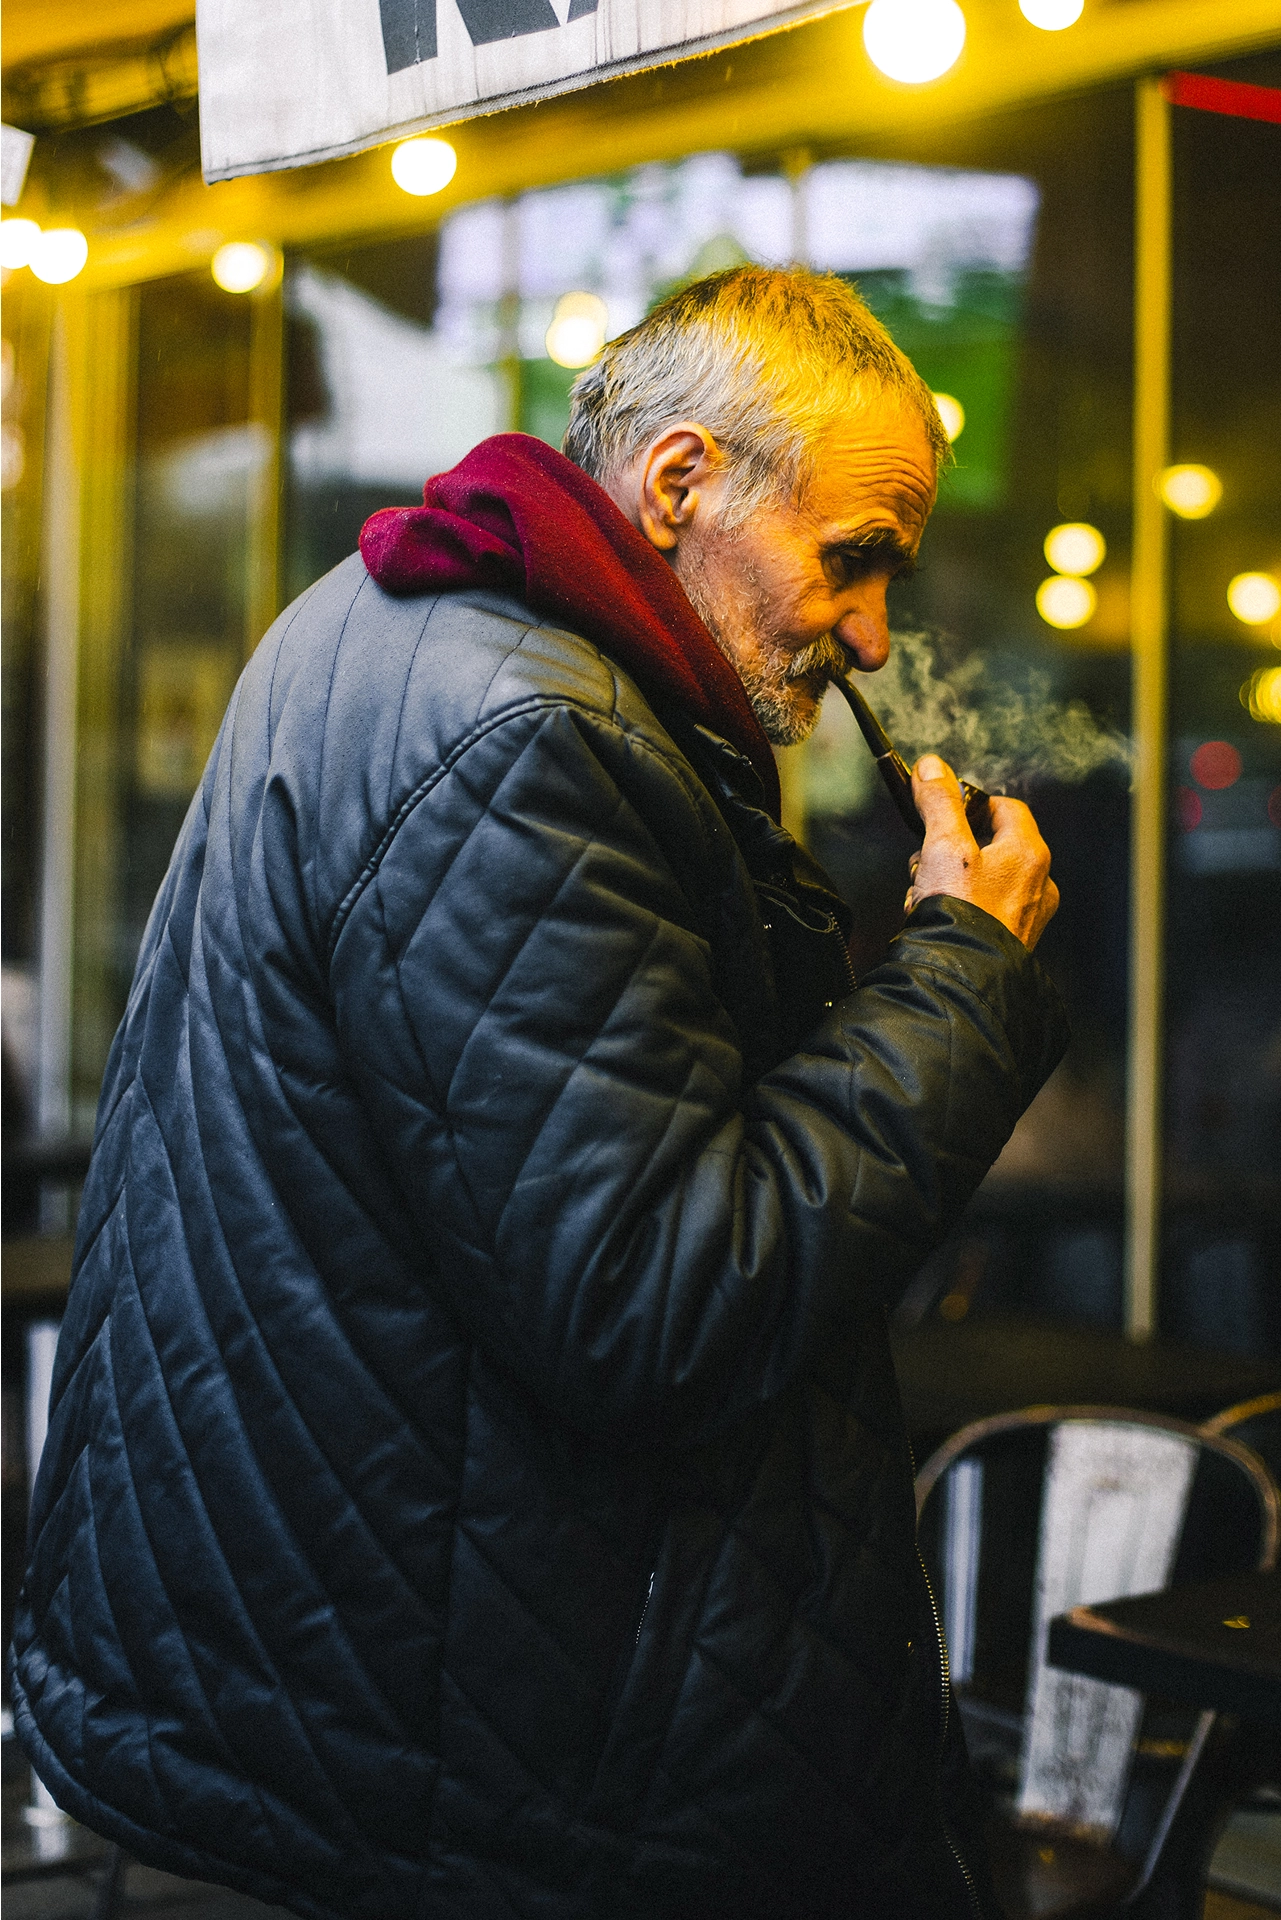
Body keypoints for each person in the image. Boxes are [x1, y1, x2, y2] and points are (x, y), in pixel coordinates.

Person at [12, 267, 1065, 1920]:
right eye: (849, 556)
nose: (870, 630)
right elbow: (654, 1297)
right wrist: (964, 972)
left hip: (351, 1660)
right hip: (443, 1740)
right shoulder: (527, 738)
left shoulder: (386, 624)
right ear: (678, 485)